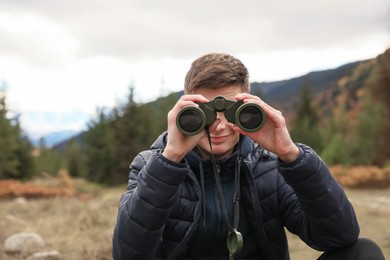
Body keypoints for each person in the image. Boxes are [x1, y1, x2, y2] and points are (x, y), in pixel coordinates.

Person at [112, 53, 385, 259]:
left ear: (248, 108)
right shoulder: (152, 165)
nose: (218, 126)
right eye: (204, 113)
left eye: (231, 111)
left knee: (363, 252)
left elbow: (340, 236)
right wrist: (170, 159)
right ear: (185, 111)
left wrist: (291, 155)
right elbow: (129, 254)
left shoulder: (269, 166)